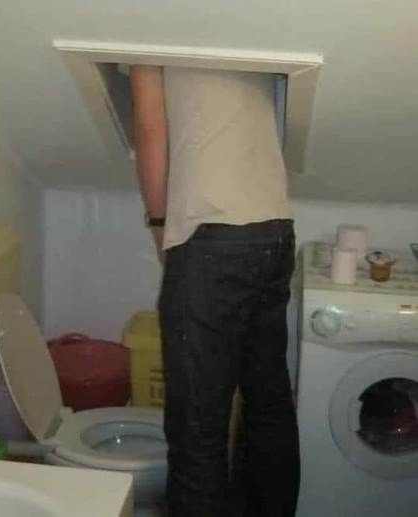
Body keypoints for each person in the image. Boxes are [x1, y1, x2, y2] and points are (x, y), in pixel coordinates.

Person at [130, 64, 300, 517]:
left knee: (197, 429)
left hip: (212, 236)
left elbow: (150, 130)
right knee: (268, 406)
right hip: (274, 228)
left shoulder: (148, 36)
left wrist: (161, 227)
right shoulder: (248, 34)